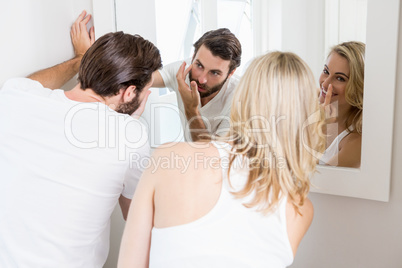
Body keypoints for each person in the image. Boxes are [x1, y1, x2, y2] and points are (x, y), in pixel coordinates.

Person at [117, 51, 324, 268]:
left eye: (215, 72)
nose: (203, 78)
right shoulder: (299, 211)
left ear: (241, 97)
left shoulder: (169, 157)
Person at [0, 11, 162, 267]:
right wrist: (128, 127)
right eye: (146, 91)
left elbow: (28, 83)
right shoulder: (129, 135)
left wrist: (79, 59)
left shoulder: (15, 97)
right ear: (130, 93)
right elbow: (137, 222)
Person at [152, 28, 242, 141]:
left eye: (214, 73)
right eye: (199, 65)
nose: (201, 79)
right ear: (193, 57)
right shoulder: (182, 71)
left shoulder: (239, 99)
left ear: (231, 73)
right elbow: (143, 79)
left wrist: (191, 110)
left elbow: (211, 157)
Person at [318, 41, 365, 168]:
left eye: (340, 78)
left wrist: (316, 129)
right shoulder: (310, 109)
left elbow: (317, 181)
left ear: (358, 88)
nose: (325, 84)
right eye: (326, 71)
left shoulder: (356, 144)